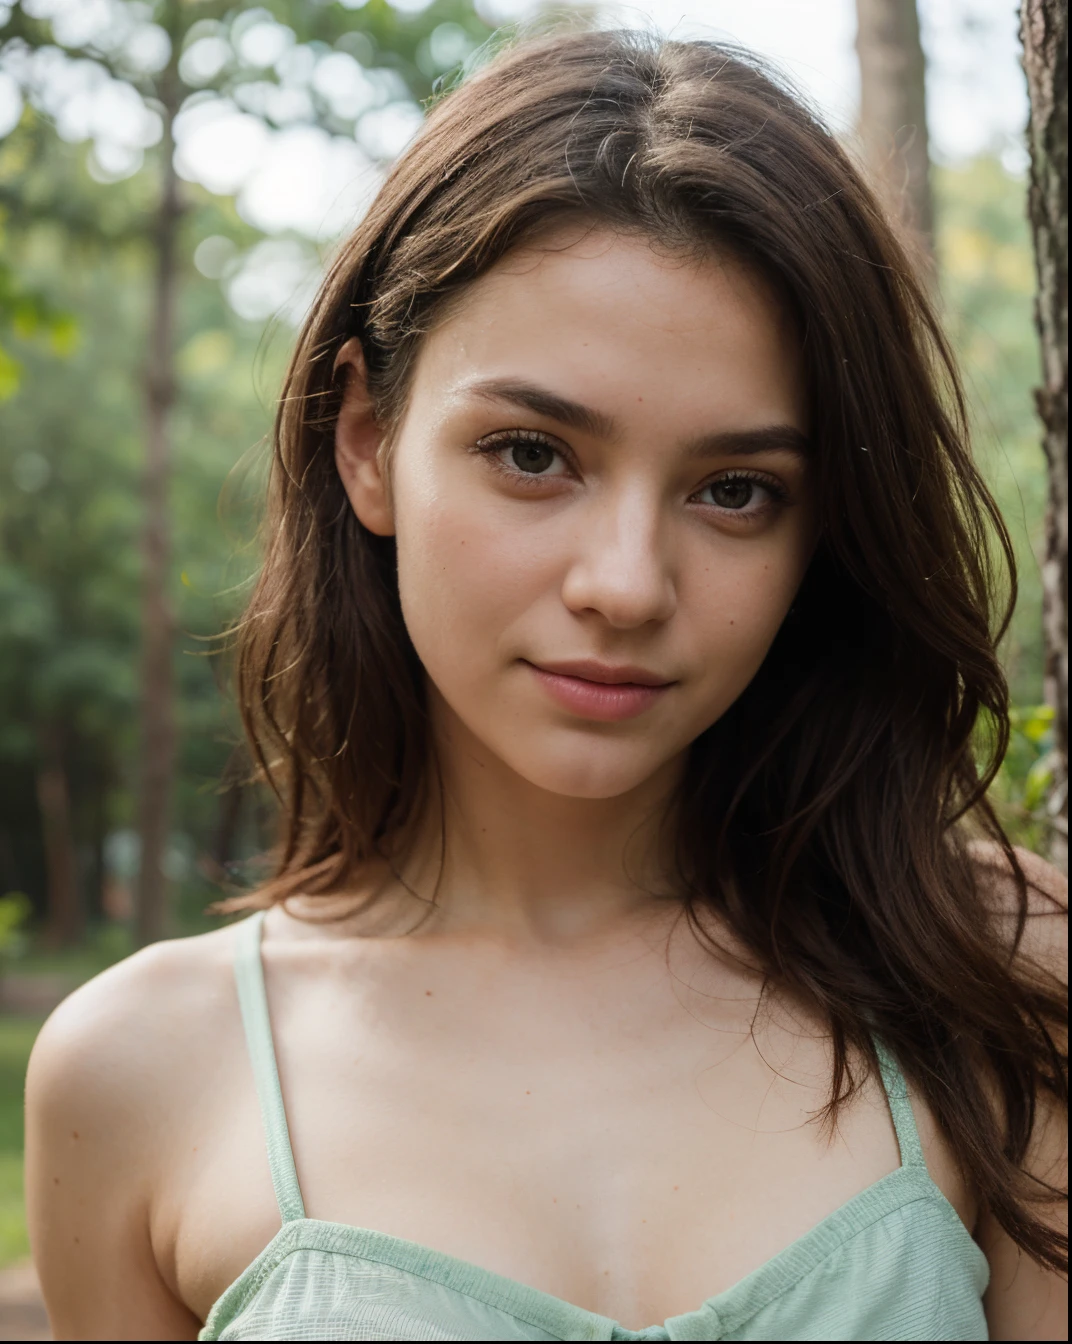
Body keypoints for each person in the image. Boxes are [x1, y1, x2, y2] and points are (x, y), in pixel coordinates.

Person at [26, 28, 1067, 1342]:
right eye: (532, 454)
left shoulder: (1002, 975)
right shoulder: (144, 1072)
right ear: (367, 439)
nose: (626, 585)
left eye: (736, 491)